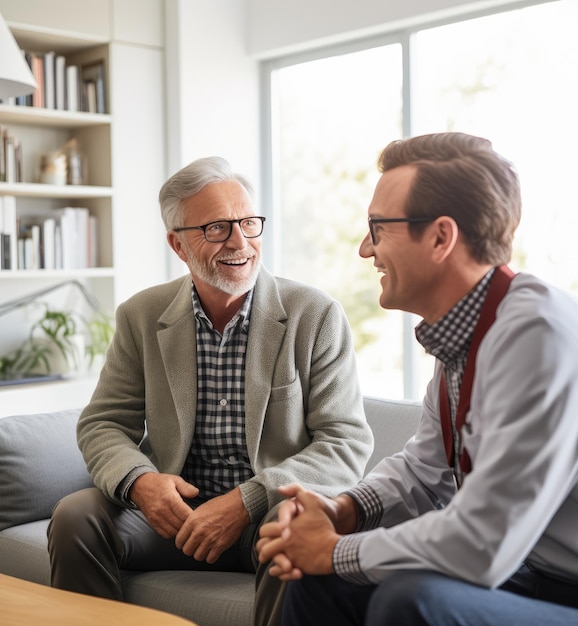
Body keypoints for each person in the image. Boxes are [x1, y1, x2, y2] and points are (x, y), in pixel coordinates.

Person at [256, 132, 578, 626]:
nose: (366, 249)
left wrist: (335, 549)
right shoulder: (468, 329)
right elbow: (424, 470)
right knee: (322, 578)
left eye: (378, 228)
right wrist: (344, 509)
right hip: (538, 572)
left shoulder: (541, 339)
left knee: (408, 602)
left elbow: (483, 543)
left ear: (440, 237)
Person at [47, 156, 374, 626]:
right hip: (173, 516)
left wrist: (246, 501)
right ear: (177, 244)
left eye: (248, 223)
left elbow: (346, 442)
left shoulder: (314, 314)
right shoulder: (141, 315)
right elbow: (103, 422)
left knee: (293, 527)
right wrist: (141, 483)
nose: (240, 242)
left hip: (266, 512)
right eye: (217, 228)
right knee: (75, 515)